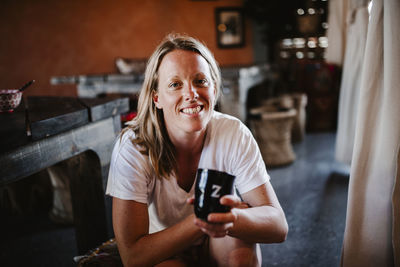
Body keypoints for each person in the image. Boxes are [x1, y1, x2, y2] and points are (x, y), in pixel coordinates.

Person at [106, 33, 288, 267]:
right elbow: (133, 257)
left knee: (241, 245)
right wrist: (201, 220)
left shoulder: (233, 133)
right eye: (175, 84)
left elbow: (278, 226)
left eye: (200, 81)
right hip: (163, 250)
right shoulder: (133, 146)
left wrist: (233, 218)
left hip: (220, 241)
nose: (191, 94)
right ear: (157, 98)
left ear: (214, 88)